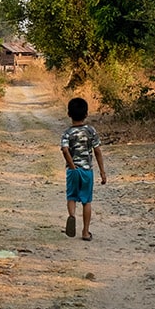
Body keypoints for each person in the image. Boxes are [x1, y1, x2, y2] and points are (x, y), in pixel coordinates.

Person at [61, 97, 106, 241]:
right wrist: (102, 172)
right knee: (87, 201)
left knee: (71, 197)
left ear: (69, 114)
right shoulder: (90, 131)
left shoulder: (67, 133)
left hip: (73, 171)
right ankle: (86, 232)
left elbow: (65, 150)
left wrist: (72, 165)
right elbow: (97, 151)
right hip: (87, 171)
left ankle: (72, 216)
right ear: (86, 114)